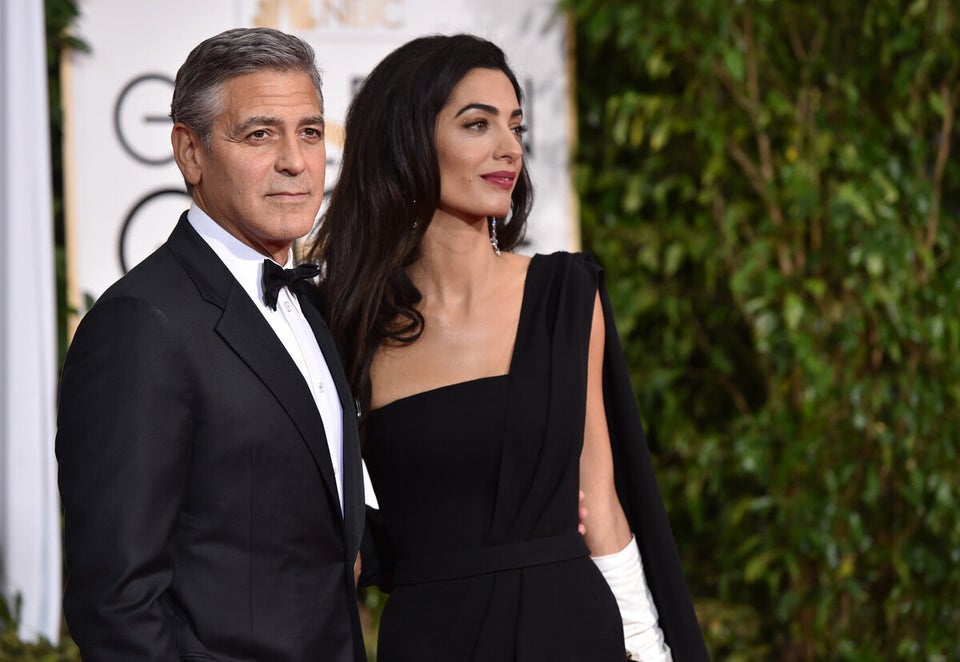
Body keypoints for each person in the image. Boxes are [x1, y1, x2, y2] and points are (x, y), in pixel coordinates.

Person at [307, 34, 710, 661]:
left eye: (515, 126)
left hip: (570, 632)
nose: (508, 149)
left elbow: (600, 505)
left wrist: (651, 652)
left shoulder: (565, 295)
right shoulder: (346, 321)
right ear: (407, 140)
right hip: (429, 639)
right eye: (477, 124)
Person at [55, 28, 367, 661]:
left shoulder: (312, 303)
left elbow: (308, 534)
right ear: (189, 152)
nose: (294, 160)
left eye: (309, 132)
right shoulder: (141, 324)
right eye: (260, 134)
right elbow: (115, 602)